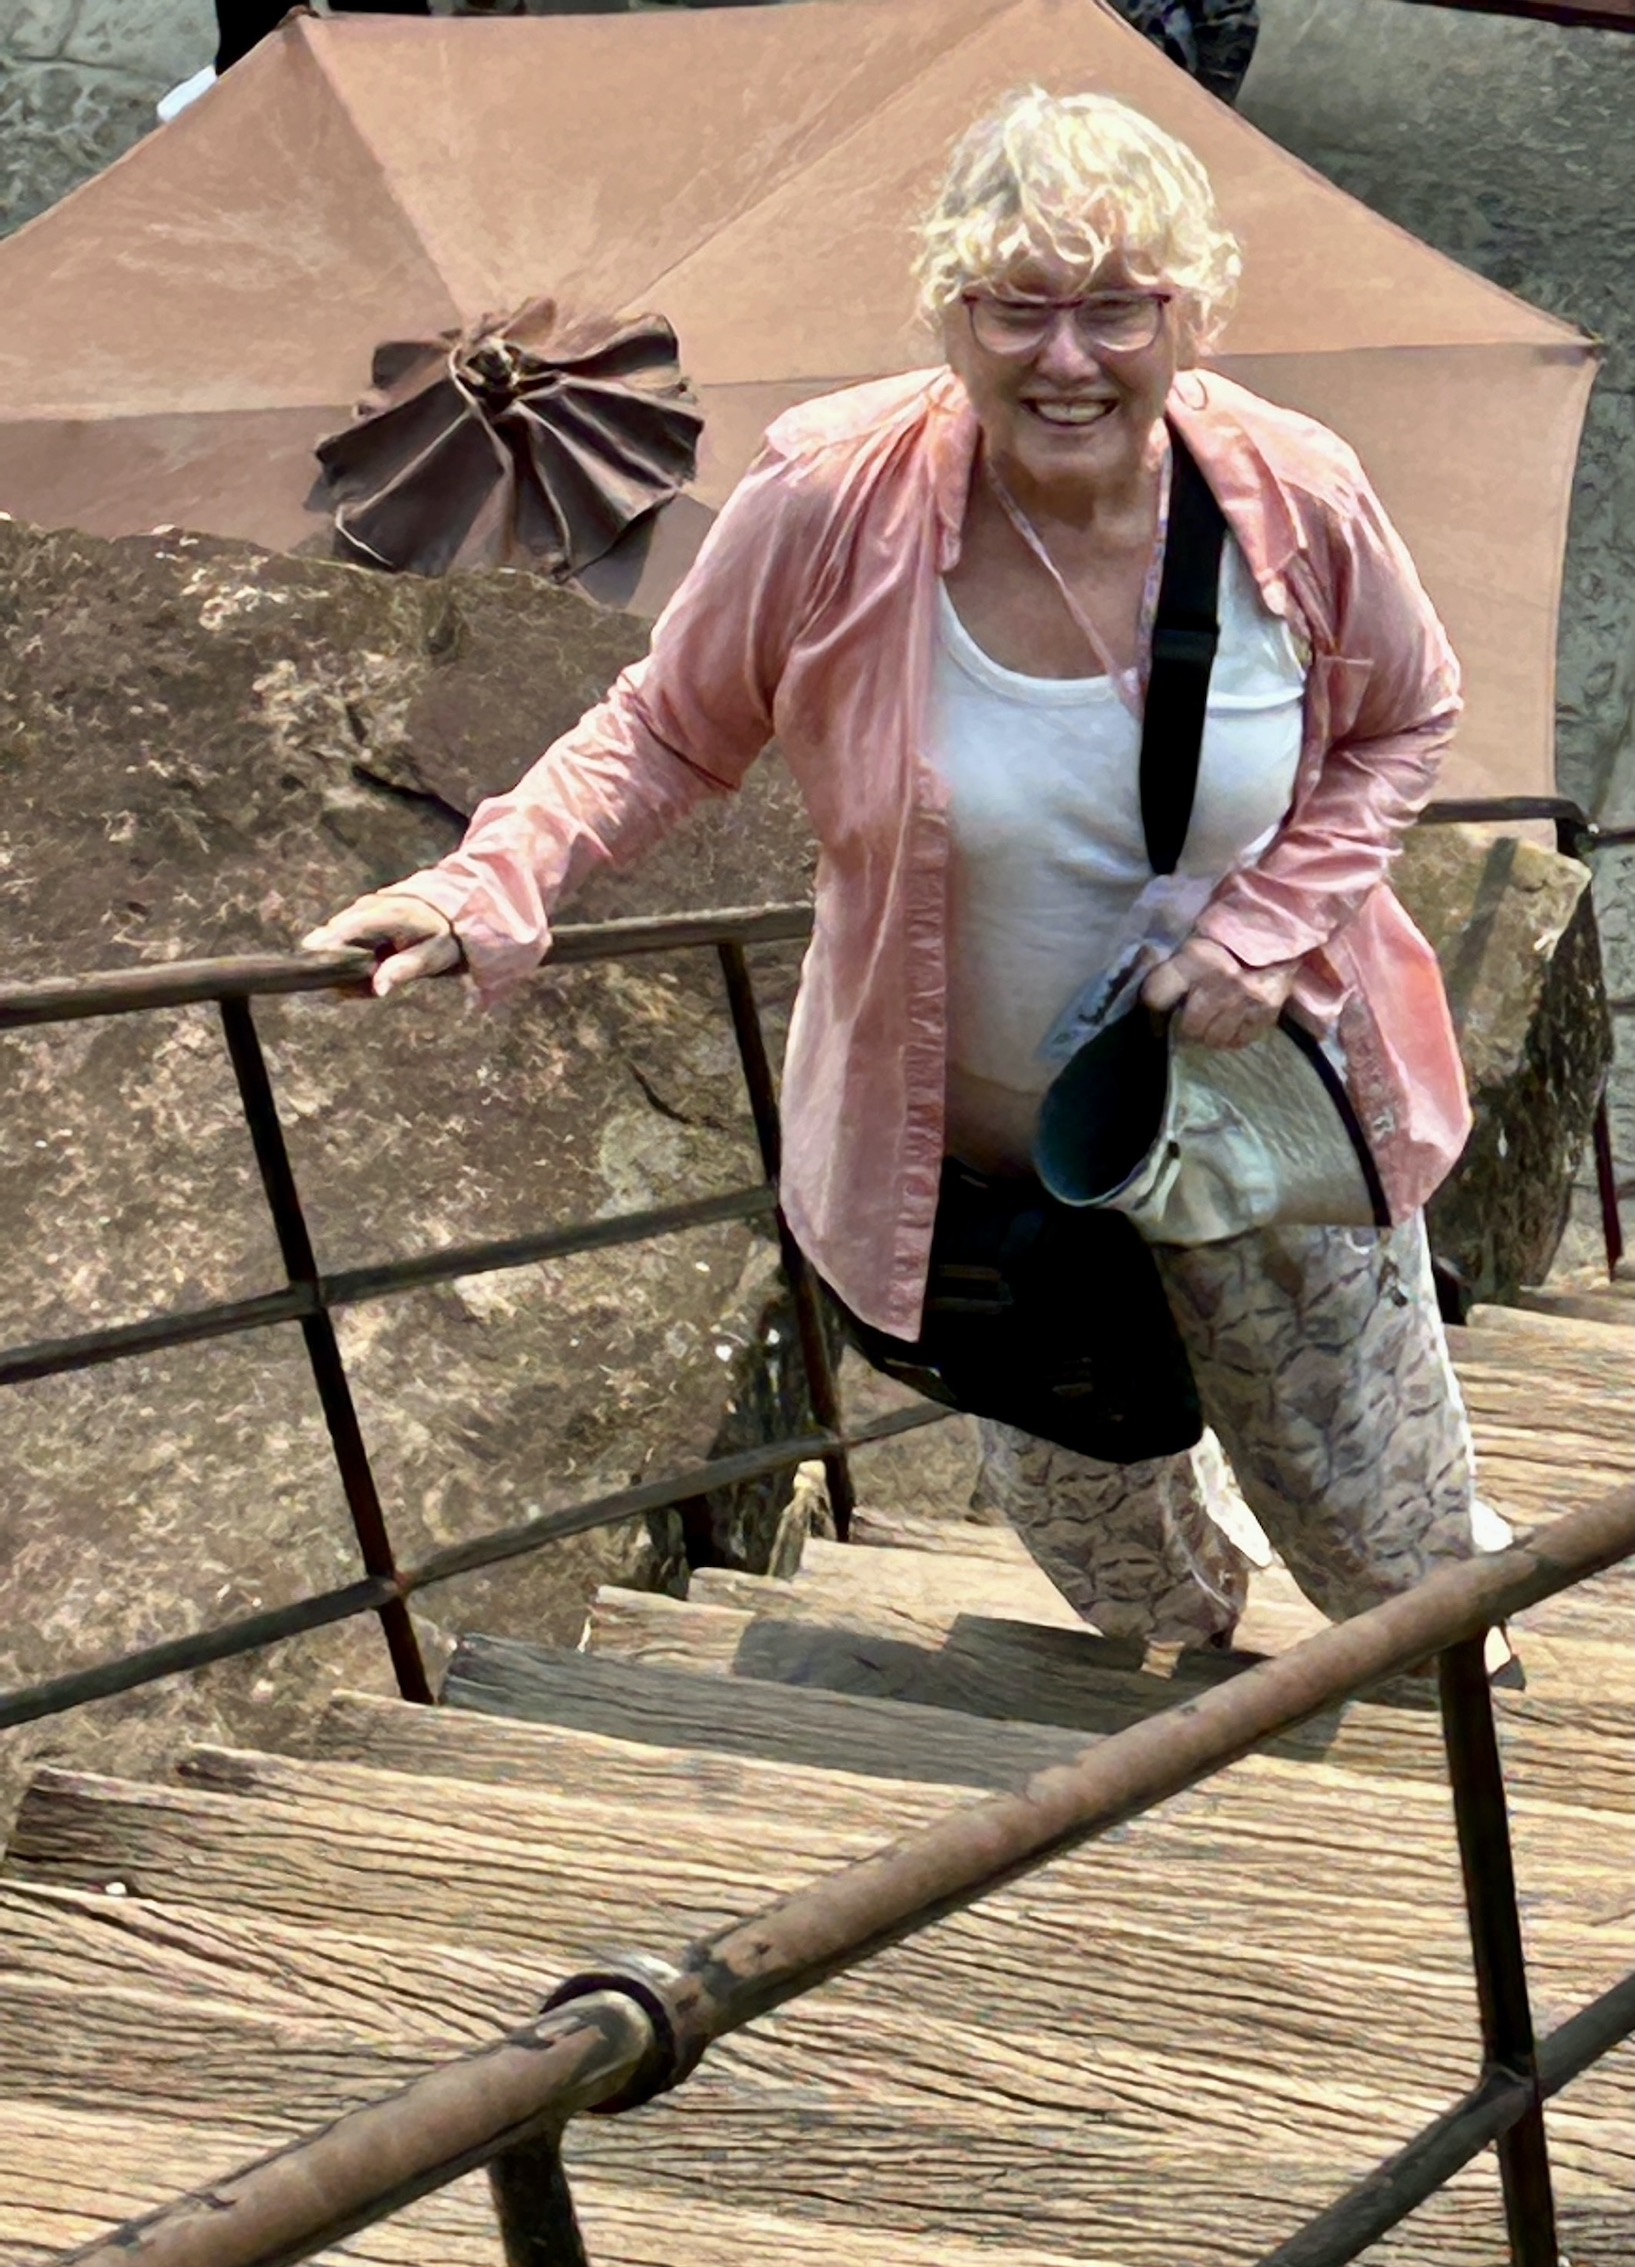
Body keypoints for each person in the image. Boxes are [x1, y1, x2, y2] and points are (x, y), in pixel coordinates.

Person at [305, 86, 1517, 1676]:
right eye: (1019, 308)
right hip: (1000, 1169)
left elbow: (1405, 719)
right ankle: (1187, 1739)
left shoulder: (1294, 497)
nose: (1067, 358)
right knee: (1101, 1524)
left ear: (1192, 313)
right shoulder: (831, 499)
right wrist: (483, 888)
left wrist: (1271, 928)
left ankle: (1456, 1731)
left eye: (1116, 309)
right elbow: (669, 727)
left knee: (1377, 1498)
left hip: (1263, 1110)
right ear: (951, 307)